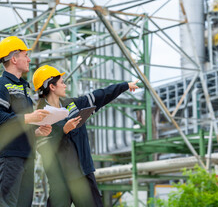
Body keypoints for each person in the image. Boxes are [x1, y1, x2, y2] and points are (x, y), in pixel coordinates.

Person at [32, 65, 139, 207]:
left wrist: (124, 86)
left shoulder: (72, 105)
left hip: (83, 173)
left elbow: (99, 95)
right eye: (62, 82)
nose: (65, 85)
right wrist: (63, 130)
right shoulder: (39, 116)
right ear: (52, 86)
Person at [0, 36, 52, 207]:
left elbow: (18, 124)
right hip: (8, 156)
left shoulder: (23, 88)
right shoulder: (0, 86)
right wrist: (30, 117)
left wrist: (36, 131)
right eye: (25, 55)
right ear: (14, 59)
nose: (29, 59)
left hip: (25, 155)